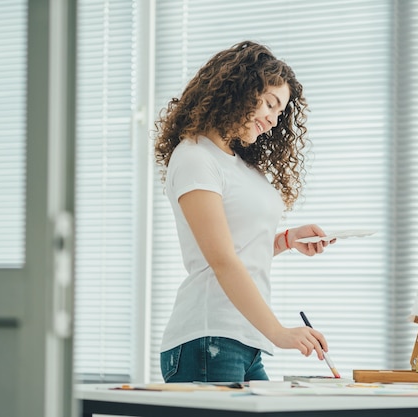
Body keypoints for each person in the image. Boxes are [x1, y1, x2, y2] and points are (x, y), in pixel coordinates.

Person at [153, 40, 334, 383]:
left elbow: (240, 246)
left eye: (279, 112)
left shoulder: (236, 163)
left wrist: (285, 240)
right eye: (269, 103)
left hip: (243, 342)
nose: (272, 119)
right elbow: (222, 259)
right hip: (209, 338)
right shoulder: (195, 157)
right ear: (237, 90)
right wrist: (280, 332)